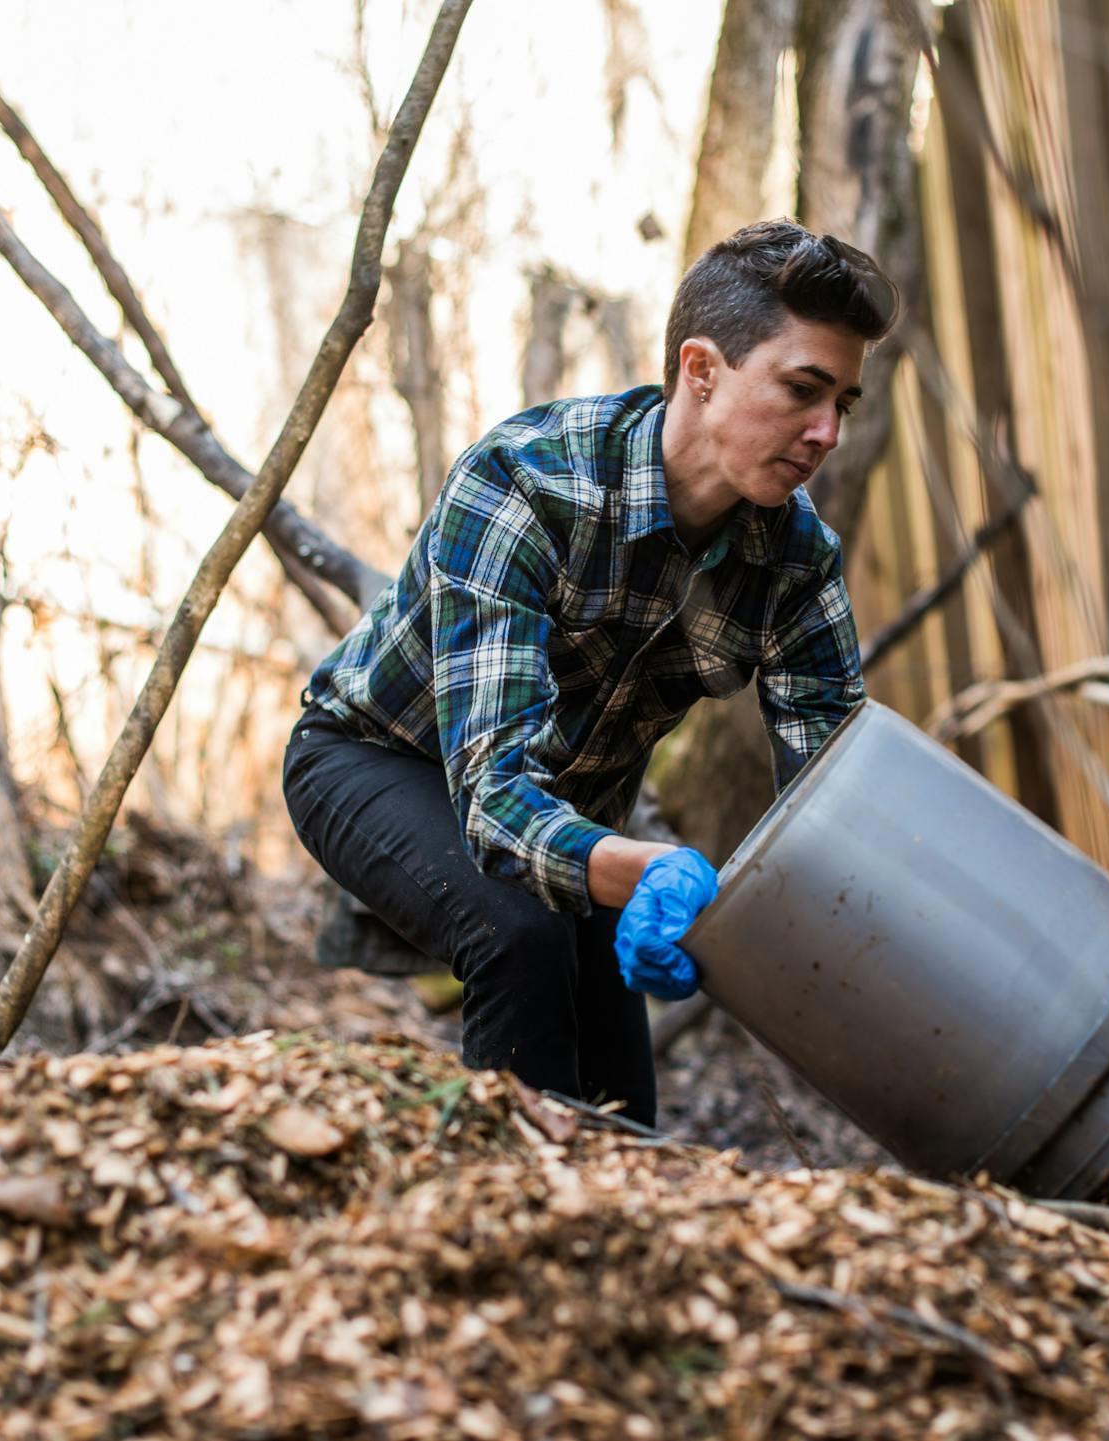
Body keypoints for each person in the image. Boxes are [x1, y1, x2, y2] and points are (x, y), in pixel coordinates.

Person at [282, 219, 894, 1125]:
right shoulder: (524, 484)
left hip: (580, 819)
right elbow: (491, 802)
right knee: (518, 933)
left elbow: (836, 799)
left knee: (622, 1113)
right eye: (804, 389)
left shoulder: (796, 562)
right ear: (701, 370)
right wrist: (648, 866)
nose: (826, 432)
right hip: (375, 760)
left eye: (844, 401)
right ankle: (505, 1220)